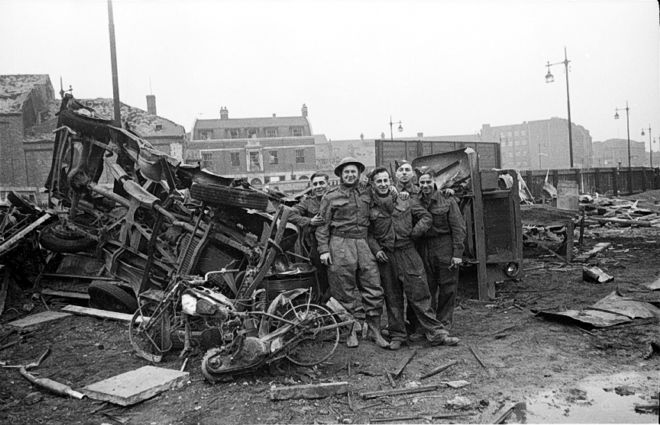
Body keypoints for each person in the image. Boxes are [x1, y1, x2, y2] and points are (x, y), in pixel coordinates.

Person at [368, 168, 459, 350]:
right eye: (379, 181)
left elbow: (426, 217)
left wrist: (414, 233)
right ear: (373, 184)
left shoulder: (405, 200)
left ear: (391, 181)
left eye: (386, 180)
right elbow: (368, 233)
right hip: (387, 257)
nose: (383, 184)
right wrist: (376, 250)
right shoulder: (370, 206)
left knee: (420, 294)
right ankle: (398, 335)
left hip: (408, 252)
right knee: (393, 298)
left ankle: (436, 333)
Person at [316, 157, 389, 348]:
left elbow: (385, 194)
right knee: (343, 288)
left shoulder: (367, 192)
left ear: (359, 174)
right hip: (340, 243)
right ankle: (349, 330)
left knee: (373, 286)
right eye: (346, 172)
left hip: (364, 243)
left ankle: (374, 330)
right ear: (340, 174)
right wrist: (323, 249)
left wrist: (397, 191)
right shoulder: (330, 196)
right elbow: (322, 225)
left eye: (353, 172)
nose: (350, 175)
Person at [415, 171, 467, 329]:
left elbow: (458, 228)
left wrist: (457, 254)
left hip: (444, 245)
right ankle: (430, 325)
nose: (425, 186)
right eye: (422, 183)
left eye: (428, 182)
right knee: (426, 287)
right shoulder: (415, 201)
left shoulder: (447, 200)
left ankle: (444, 323)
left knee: (448, 287)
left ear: (434, 183)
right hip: (423, 247)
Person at [289, 172, 330, 302]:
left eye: (322, 183)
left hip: (337, 244)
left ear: (328, 184)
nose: (319, 187)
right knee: (321, 279)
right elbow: (289, 214)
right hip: (317, 247)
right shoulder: (308, 203)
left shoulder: (334, 199)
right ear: (311, 186)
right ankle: (323, 305)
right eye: (315, 184)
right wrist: (309, 221)